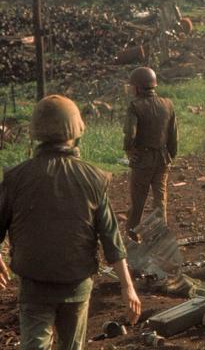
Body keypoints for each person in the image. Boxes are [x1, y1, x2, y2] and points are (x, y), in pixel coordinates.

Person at [0, 95, 141, 350]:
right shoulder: (93, 178)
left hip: (34, 286)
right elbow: (111, 239)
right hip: (76, 287)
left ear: (36, 132)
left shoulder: (15, 177)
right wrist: (127, 287)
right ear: (76, 130)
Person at [123, 67, 177, 241]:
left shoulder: (135, 106)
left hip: (142, 160)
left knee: (138, 201)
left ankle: (133, 236)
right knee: (160, 201)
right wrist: (170, 156)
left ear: (138, 87)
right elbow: (173, 135)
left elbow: (130, 134)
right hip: (162, 159)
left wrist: (130, 152)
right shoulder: (168, 104)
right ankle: (160, 238)